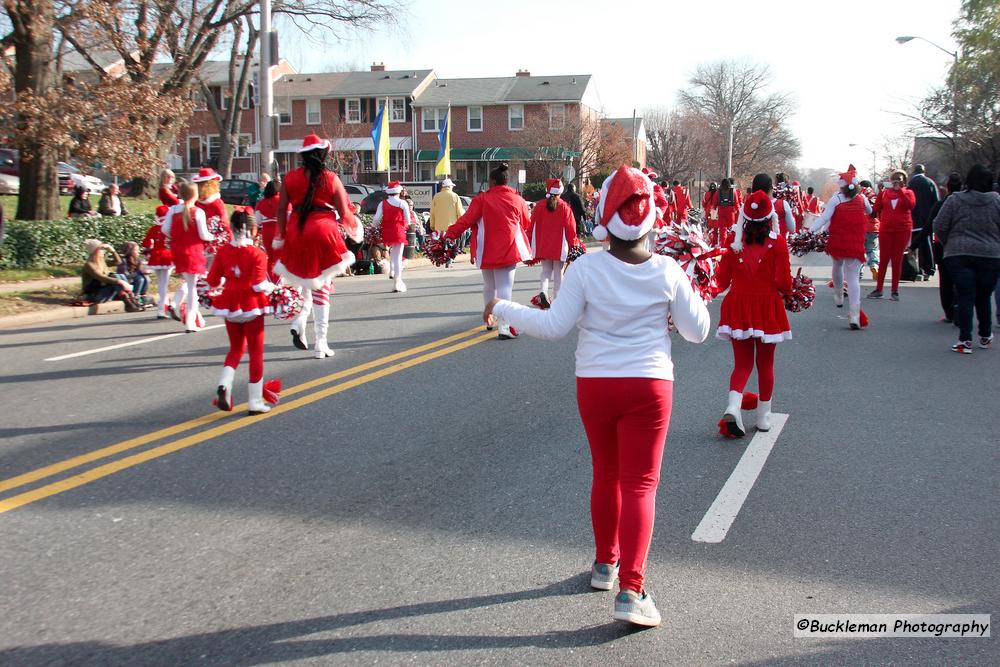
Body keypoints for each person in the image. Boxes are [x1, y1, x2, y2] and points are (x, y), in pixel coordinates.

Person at [483, 165, 711, 627]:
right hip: (649, 386)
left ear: (606, 215)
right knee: (641, 484)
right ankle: (632, 587)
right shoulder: (668, 270)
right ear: (651, 219)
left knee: (606, 474)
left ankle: (605, 564)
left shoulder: (586, 268)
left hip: (595, 384)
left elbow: (552, 327)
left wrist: (501, 307)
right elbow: (698, 331)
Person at [274, 134, 360, 359]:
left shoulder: (290, 178)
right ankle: (320, 342)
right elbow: (344, 212)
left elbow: (281, 210)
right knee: (321, 286)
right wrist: (354, 230)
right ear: (323, 154)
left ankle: (299, 320)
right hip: (323, 231)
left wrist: (281, 234)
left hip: (296, 232)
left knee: (305, 281)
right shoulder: (331, 178)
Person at [716, 190, 792, 436]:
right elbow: (784, 281)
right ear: (770, 217)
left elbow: (722, 278)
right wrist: (790, 292)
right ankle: (763, 418)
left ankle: (733, 406)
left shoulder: (733, 240)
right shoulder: (777, 242)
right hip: (768, 307)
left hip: (738, 305)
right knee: (766, 364)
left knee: (742, 364)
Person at [443, 162, 533, 340]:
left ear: (492, 181)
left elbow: (466, 220)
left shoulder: (482, 199)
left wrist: (450, 234)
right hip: (509, 247)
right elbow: (526, 223)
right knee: (505, 286)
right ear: (507, 181)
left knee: (489, 285)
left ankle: (489, 319)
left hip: (486, 248)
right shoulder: (518, 199)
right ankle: (505, 326)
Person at [206, 208, 276, 415]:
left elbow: (212, 280)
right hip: (251, 304)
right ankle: (254, 401)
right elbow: (258, 284)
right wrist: (277, 289)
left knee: (235, 349)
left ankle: (224, 385)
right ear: (254, 230)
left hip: (229, 303)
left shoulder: (223, 251)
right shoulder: (257, 253)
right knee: (256, 352)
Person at [932, 164, 1000, 353]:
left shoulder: (955, 200)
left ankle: (965, 340)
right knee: (983, 296)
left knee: (965, 295)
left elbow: (939, 225)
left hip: (959, 253)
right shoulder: (996, 201)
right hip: (990, 255)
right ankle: (985, 336)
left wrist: (949, 243)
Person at [807, 166, 872, 329]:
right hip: (856, 243)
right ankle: (855, 316)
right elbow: (870, 211)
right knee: (853, 279)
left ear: (841, 186)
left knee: (837, 265)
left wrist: (809, 231)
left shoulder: (836, 199)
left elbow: (824, 218)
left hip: (839, 241)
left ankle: (838, 294)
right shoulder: (862, 199)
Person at [163, 181, 214, 332]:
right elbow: (204, 234)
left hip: (178, 250)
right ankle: (191, 321)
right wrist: (214, 236)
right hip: (194, 251)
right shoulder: (198, 212)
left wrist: (177, 236)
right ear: (195, 195)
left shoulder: (172, 210)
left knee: (190, 283)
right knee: (192, 288)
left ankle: (194, 317)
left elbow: (165, 229)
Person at [527, 178, 578, 308]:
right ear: (560, 191)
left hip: (543, 244)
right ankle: (557, 302)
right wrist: (574, 244)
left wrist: (528, 241)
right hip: (559, 246)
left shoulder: (539, 206)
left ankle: (543, 291)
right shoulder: (565, 207)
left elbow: (531, 224)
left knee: (545, 271)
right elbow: (570, 228)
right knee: (558, 273)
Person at [870, 170, 915, 300]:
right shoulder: (884, 194)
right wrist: (877, 194)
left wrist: (900, 191)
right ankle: (879, 289)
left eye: (899, 180)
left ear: (904, 181)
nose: (896, 182)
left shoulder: (908, 193)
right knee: (883, 259)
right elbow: (876, 209)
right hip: (886, 230)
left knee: (897, 260)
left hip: (902, 230)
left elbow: (910, 205)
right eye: (894, 180)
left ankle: (894, 291)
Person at [927, 173, 963, 323]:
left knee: (946, 282)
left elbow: (931, 225)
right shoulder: (964, 204)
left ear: (947, 188)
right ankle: (959, 308)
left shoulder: (941, 204)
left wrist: (914, 244)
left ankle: (949, 312)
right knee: (960, 281)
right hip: (961, 246)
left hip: (942, 245)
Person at [373, 181, 412, 293]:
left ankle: (392, 271)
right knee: (398, 256)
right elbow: (408, 220)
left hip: (387, 230)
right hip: (398, 229)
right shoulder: (402, 203)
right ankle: (397, 280)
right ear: (398, 192)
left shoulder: (382, 203)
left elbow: (376, 219)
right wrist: (406, 224)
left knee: (392, 251)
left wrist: (373, 227)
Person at [80, 239, 141, 310]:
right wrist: (120, 282)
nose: (103, 251)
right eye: (101, 249)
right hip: (93, 295)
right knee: (116, 278)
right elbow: (101, 277)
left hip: (103, 291)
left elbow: (118, 262)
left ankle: (131, 301)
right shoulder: (89, 265)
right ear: (95, 251)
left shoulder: (102, 261)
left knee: (119, 276)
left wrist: (112, 250)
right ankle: (129, 303)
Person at [908, 164, 940, 280]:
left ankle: (917, 270)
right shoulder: (930, 182)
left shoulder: (911, 184)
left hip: (913, 219)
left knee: (914, 246)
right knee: (926, 244)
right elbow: (936, 202)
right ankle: (929, 269)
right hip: (927, 219)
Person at [142, 205, 174, 319]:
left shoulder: (153, 228)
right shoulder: (169, 228)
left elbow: (145, 243)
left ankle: (163, 307)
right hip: (166, 256)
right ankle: (162, 310)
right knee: (163, 284)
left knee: (161, 284)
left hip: (155, 257)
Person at [429, 177, 465, 267]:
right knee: (450, 244)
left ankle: (439, 259)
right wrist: (462, 224)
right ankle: (449, 260)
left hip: (438, 226)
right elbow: (459, 211)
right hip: (451, 226)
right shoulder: (455, 196)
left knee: (439, 244)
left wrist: (432, 225)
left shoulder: (436, 196)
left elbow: (432, 212)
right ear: (450, 186)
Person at [192, 168, 231, 242]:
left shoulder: (196, 203)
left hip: (197, 239)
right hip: (215, 239)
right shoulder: (217, 203)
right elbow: (224, 223)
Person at [255, 180, 282, 278]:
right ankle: (279, 280)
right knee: (279, 257)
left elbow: (257, 221)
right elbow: (289, 215)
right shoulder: (282, 200)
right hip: (279, 231)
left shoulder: (261, 202)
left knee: (270, 258)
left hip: (266, 232)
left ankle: (271, 278)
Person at [706, 178, 742, 248]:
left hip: (721, 211)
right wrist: (738, 211)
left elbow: (714, 203)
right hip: (730, 212)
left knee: (723, 230)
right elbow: (736, 203)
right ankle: (731, 244)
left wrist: (713, 210)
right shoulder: (733, 191)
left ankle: (723, 245)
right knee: (731, 229)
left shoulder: (718, 192)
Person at [116, 241, 149, 306]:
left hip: (134, 281)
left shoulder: (137, 260)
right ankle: (135, 297)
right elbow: (125, 275)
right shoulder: (124, 260)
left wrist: (144, 272)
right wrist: (139, 273)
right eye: (135, 250)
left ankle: (142, 296)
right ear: (130, 251)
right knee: (139, 278)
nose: (138, 252)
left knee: (146, 278)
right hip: (126, 282)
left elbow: (138, 271)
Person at [859, 180, 880, 282]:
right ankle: (874, 266)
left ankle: (858, 272)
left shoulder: (858, 195)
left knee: (859, 251)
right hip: (873, 228)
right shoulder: (873, 195)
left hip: (860, 228)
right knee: (872, 249)